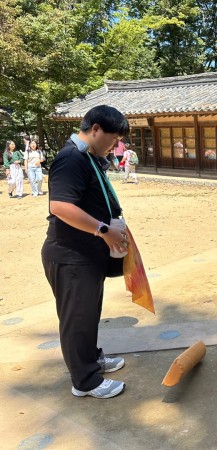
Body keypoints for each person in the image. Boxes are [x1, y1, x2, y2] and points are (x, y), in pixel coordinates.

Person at [41, 105, 130, 399]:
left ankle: (92, 359)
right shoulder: (71, 158)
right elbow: (61, 207)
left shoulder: (89, 157)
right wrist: (104, 230)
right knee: (77, 318)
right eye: (113, 138)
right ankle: (85, 381)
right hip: (70, 255)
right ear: (95, 129)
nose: (115, 146)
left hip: (86, 254)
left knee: (88, 313)